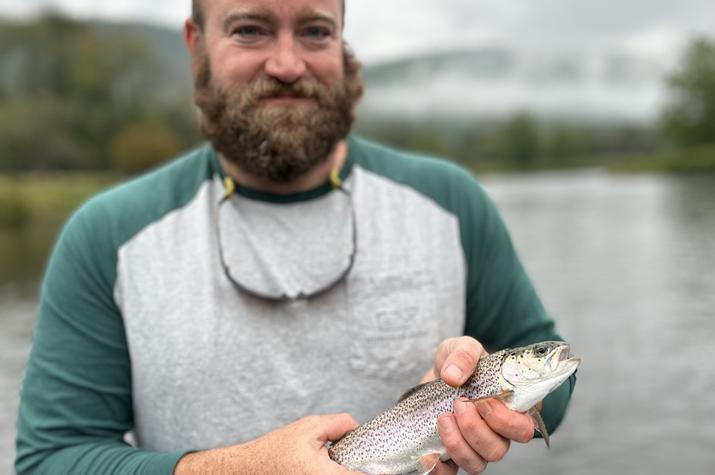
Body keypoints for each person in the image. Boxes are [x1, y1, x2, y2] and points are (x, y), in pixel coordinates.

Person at [15, 0, 577, 473]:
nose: (286, 64)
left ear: (342, 41)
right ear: (196, 45)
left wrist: (498, 409)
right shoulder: (106, 236)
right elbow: (51, 458)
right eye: (250, 30)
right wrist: (239, 470)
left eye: (314, 31)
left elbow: (559, 382)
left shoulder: (453, 203)